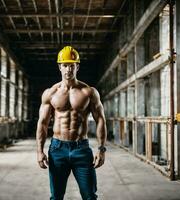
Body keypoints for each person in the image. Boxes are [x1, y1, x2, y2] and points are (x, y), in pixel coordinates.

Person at [36, 46, 107, 200]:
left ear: (77, 66)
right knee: (56, 197)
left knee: (89, 195)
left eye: (72, 65)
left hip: (81, 148)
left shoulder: (88, 92)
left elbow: (100, 119)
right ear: (59, 67)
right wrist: (39, 151)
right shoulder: (50, 93)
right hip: (57, 149)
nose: (68, 69)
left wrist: (101, 149)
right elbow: (42, 123)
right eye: (65, 65)